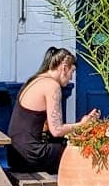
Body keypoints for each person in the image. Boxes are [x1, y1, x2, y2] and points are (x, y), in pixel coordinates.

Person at [6, 47, 92, 175]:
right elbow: (56, 130)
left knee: (66, 143)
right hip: (30, 155)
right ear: (64, 68)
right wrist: (82, 125)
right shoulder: (52, 86)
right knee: (79, 152)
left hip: (15, 155)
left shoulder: (34, 80)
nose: (71, 78)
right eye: (72, 71)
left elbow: (43, 126)